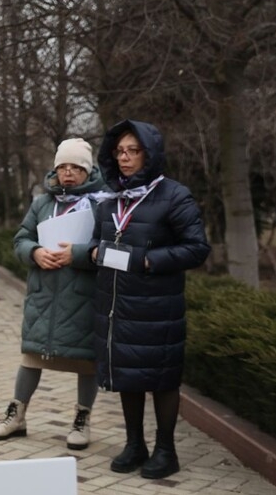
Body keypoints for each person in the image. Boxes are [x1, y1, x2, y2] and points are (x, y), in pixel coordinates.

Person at [90, 120, 210, 480]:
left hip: (158, 307)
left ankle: (166, 451)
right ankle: (135, 445)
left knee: (162, 379)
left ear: (150, 154)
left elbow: (197, 248)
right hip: (118, 307)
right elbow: (98, 240)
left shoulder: (174, 195)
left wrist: (147, 260)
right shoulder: (110, 199)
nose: (124, 158)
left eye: (133, 151)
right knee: (129, 375)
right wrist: (94, 251)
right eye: (119, 151)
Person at [0, 138, 105, 450]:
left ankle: (82, 418)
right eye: (63, 166)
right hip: (43, 297)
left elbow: (107, 248)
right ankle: (16, 415)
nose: (68, 173)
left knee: (87, 361)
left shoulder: (100, 203)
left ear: (87, 171)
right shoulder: (42, 203)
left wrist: (76, 254)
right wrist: (34, 252)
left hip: (82, 296)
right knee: (32, 356)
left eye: (76, 167)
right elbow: (21, 238)